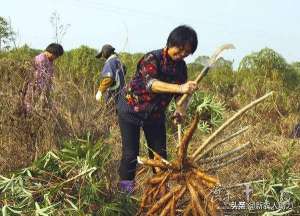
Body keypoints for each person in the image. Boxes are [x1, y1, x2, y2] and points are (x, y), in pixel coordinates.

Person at [116, 25, 198, 193]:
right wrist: (180, 88)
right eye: (180, 49)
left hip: (155, 115)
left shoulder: (181, 68)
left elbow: (181, 98)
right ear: (170, 43)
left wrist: (180, 110)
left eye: (187, 52)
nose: (182, 54)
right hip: (131, 109)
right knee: (131, 154)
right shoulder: (152, 59)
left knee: (160, 156)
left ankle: (160, 193)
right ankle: (125, 194)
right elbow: (151, 84)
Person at [21, 43, 64, 114]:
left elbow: (49, 77)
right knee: (30, 107)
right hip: (35, 88)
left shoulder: (49, 60)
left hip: (42, 90)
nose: (56, 58)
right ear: (52, 52)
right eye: (56, 56)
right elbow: (39, 77)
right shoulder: (41, 59)